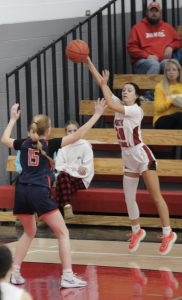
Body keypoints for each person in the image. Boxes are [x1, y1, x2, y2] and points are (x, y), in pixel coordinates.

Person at [1, 99, 106, 288]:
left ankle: (14, 272)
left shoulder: (22, 144)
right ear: (47, 131)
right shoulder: (51, 144)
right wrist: (97, 114)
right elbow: (80, 134)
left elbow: (4, 140)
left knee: (29, 231)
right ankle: (67, 275)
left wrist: (12, 119)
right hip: (38, 192)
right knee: (63, 233)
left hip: (22, 191)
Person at [84, 56, 177, 256]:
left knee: (155, 195)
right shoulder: (119, 103)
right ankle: (136, 230)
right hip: (127, 156)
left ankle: (168, 232)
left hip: (142, 155)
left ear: (135, 96)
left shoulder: (134, 110)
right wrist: (88, 62)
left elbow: (108, 98)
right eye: (123, 90)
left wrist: (104, 86)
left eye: (129, 90)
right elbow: (106, 90)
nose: (124, 92)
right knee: (128, 197)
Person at [127, 1, 182, 75]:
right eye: (151, 11)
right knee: (154, 64)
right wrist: (147, 56)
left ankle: (172, 87)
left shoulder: (167, 27)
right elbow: (131, 48)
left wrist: (171, 46)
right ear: (147, 13)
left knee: (169, 65)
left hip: (163, 60)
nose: (154, 13)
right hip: (144, 61)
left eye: (156, 11)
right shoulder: (137, 28)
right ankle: (150, 87)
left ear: (160, 13)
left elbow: (178, 41)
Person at [55, 120, 94, 219]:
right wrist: (76, 168)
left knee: (61, 184)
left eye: (75, 131)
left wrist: (69, 168)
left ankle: (51, 214)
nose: (72, 133)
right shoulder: (63, 146)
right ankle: (67, 207)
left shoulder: (85, 146)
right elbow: (59, 166)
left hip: (81, 179)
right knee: (63, 176)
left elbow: (87, 169)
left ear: (79, 131)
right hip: (66, 177)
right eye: (69, 131)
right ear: (65, 132)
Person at [153, 59, 182, 129]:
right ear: (165, 73)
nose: (171, 72)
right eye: (168, 70)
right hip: (162, 118)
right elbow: (158, 108)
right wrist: (171, 100)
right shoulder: (160, 86)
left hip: (179, 119)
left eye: (174, 70)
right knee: (180, 116)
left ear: (179, 72)